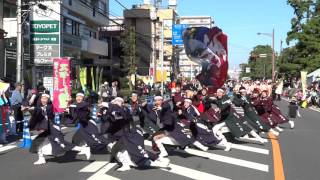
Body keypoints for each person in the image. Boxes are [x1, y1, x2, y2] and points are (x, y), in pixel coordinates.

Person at [104, 97, 170, 171]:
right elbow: (109, 119)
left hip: (127, 135)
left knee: (135, 151)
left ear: (122, 103)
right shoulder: (118, 110)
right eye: (115, 101)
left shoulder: (122, 110)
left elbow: (118, 117)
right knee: (125, 150)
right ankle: (127, 164)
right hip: (122, 135)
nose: (115, 103)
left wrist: (110, 106)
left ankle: (159, 159)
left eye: (118, 101)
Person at [29, 92, 91, 165]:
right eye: (42, 98)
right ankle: (41, 158)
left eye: (45, 99)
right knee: (38, 142)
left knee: (63, 144)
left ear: (48, 100)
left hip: (53, 128)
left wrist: (35, 109)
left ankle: (84, 149)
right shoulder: (40, 106)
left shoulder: (49, 106)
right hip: (45, 129)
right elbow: (37, 110)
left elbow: (42, 109)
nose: (43, 100)